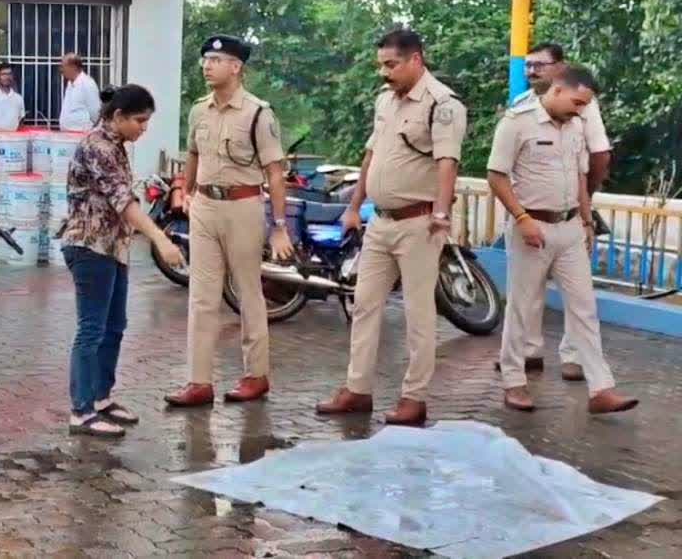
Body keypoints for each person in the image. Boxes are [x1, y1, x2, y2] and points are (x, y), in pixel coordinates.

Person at [316, 28, 467, 426]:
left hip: (419, 223)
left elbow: (447, 163)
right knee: (364, 303)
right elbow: (371, 155)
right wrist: (354, 206)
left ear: (416, 59)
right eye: (381, 65)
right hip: (379, 222)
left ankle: (414, 397)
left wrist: (441, 213)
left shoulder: (443, 104)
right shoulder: (386, 101)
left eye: (392, 64)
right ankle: (357, 389)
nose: (384, 72)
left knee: (419, 312)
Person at [486, 65, 637, 414]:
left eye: (585, 105)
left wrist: (586, 221)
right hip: (532, 228)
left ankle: (601, 389)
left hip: (570, 227)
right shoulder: (517, 121)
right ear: (556, 90)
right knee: (522, 309)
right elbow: (496, 176)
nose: (581, 110)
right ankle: (514, 381)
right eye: (577, 102)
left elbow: (581, 178)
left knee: (585, 308)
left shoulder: (576, 126)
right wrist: (521, 219)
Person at [165, 34, 294, 409]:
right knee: (201, 296)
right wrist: (183, 191)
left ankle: (256, 375)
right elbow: (191, 154)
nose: (207, 65)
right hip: (205, 205)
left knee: (248, 293)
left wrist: (280, 224)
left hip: (243, 206)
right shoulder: (198, 110)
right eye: (205, 59)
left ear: (236, 67)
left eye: (216, 60)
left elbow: (274, 172)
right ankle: (198, 381)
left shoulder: (258, 113)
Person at [60, 84, 185, 437]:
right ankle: (81, 411)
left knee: (115, 326)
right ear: (117, 116)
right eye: (139, 121)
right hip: (89, 247)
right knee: (92, 329)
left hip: (113, 247)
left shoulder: (117, 146)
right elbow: (124, 202)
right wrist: (160, 239)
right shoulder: (98, 147)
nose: (144, 129)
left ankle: (101, 398)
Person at [500, 42, 613, 382]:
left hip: (569, 217)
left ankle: (584, 367)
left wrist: (583, 209)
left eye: (540, 65)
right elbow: (499, 174)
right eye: (528, 65)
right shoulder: (519, 111)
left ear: (560, 70)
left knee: (581, 301)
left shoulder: (580, 106)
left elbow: (597, 156)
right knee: (524, 299)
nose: (532, 71)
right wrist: (521, 217)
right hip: (531, 220)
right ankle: (522, 361)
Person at [59, 53, 101, 132]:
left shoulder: (87, 83)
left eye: (63, 66)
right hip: (68, 134)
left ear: (73, 67)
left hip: (81, 134)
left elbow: (95, 112)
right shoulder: (70, 83)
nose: (61, 70)